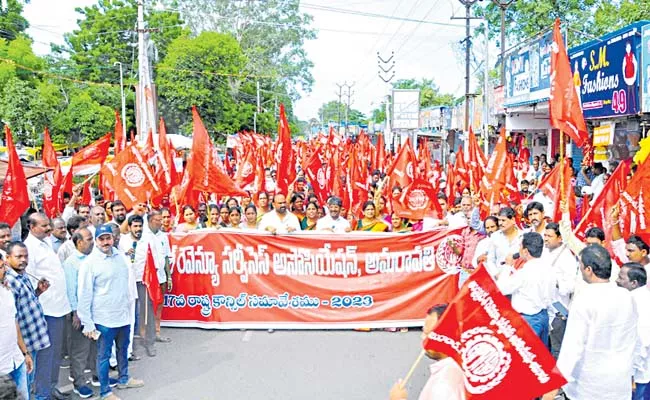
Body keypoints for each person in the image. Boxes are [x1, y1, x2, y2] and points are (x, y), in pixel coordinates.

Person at [543, 244, 639, 400]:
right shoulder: (626, 296)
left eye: (580, 265)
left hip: (590, 387)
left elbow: (572, 349)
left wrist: (553, 387)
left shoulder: (584, 300)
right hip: (619, 383)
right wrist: (632, 375)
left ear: (588, 270)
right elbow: (633, 338)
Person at [77, 224, 144, 400]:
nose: (106, 242)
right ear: (96, 241)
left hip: (122, 314)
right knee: (104, 356)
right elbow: (84, 294)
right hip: (103, 319)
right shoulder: (89, 263)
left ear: (113, 238)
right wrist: (88, 322)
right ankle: (105, 391)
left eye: (108, 238)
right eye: (102, 239)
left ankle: (123, 378)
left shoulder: (120, 257)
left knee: (123, 350)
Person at [24, 213, 71, 400]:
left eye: (48, 225)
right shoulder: (29, 248)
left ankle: (52, 387)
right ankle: (42, 394)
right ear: (31, 227)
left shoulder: (46, 242)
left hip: (59, 307)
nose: (48, 229)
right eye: (44, 226)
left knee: (56, 352)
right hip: (46, 310)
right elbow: (31, 280)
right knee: (45, 355)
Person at [388, 304, 465, 400]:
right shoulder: (451, 371)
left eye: (428, 334)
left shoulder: (445, 383)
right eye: (423, 332)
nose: (423, 338)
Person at [4, 241, 50, 398]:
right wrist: (24, 351)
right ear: (8, 258)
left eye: (25, 256)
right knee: (23, 384)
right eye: (18, 256)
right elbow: (12, 318)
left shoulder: (23, 275)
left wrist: (38, 291)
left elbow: (24, 305)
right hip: (23, 342)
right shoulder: (10, 281)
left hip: (32, 339)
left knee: (28, 381)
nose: (23, 260)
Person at [496, 232, 556, 344]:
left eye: (520, 246)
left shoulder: (524, 273)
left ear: (525, 251)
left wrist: (508, 266)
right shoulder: (550, 269)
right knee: (540, 357)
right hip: (543, 316)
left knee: (527, 356)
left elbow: (501, 288)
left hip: (527, 320)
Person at [61, 228, 96, 399]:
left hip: (96, 310)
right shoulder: (71, 263)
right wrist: (76, 313)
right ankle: (79, 383)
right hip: (80, 314)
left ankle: (97, 376)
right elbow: (70, 289)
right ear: (79, 242)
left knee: (96, 346)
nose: (92, 241)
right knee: (80, 350)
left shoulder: (95, 258)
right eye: (89, 239)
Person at [134, 209, 172, 355]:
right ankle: (146, 339)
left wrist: (168, 276)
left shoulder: (163, 236)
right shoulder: (143, 236)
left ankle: (156, 333)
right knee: (146, 309)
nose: (161, 222)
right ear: (150, 221)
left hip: (160, 276)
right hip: (147, 278)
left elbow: (166, 257)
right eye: (158, 220)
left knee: (158, 305)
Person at [0, 251, 34, 400]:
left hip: (16, 361)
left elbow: (14, 323)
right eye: (1, 267)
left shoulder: (6, 290)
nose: (6, 270)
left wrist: (25, 353)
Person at [542, 222, 578, 359]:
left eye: (549, 236)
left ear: (559, 238)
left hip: (559, 310)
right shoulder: (544, 253)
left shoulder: (567, 257)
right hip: (545, 307)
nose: (545, 239)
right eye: (545, 235)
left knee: (557, 351)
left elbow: (570, 286)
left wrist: (555, 281)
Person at [615, 263, 650, 400]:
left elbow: (641, 342)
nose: (617, 281)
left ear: (633, 283)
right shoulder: (636, 299)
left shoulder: (639, 303)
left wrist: (631, 375)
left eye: (621, 278)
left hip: (638, 375)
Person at [486, 207, 523, 277]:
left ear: (512, 220)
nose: (500, 223)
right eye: (499, 220)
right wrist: (496, 274)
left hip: (518, 278)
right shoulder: (495, 237)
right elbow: (490, 260)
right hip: (499, 278)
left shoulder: (523, 236)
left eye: (503, 220)